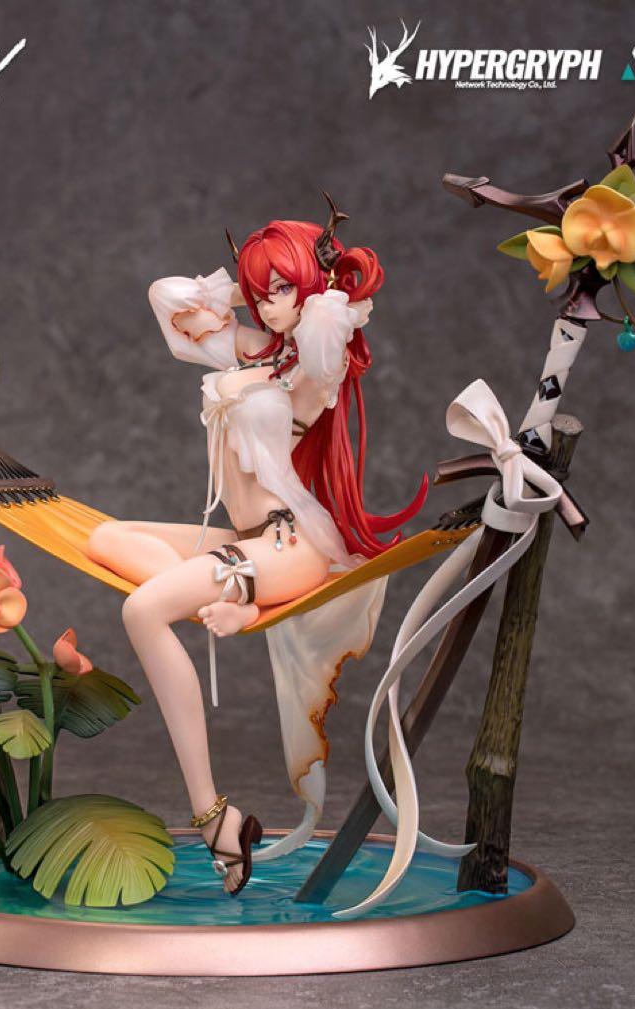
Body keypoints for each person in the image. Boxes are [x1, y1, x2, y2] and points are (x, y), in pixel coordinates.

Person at [85, 201, 427, 896]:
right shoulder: (251, 350)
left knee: (143, 611)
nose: (270, 305)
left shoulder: (315, 370)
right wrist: (248, 284)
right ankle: (236, 595)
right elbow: (167, 299)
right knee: (104, 537)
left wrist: (310, 280)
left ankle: (214, 815)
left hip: (290, 543)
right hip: (247, 542)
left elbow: (327, 316)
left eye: (281, 290)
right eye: (260, 292)